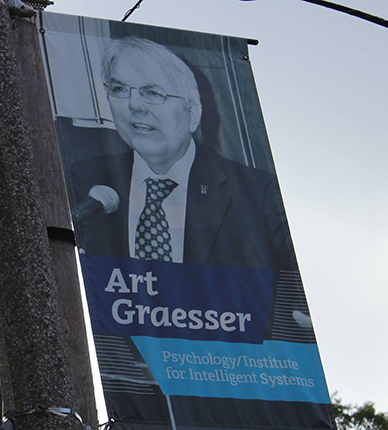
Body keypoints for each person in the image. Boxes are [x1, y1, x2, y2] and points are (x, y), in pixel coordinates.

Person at [71, 36, 296, 272]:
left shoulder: (256, 192)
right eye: (119, 89)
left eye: (153, 92)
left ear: (193, 114)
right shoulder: (81, 182)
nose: (134, 105)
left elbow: (287, 282)